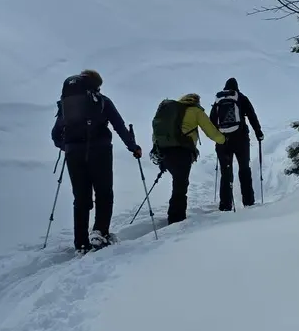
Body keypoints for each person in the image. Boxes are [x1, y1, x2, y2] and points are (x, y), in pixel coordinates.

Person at [51, 69, 143, 252]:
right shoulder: (102, 101)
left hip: (73, 154)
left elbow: (55, 134)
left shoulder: (66, 103)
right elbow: (119, 126)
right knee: (104, 193)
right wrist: (133, 147)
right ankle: (100, 233)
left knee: (81, 197)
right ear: (97, 85)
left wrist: (67, 146)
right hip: (100, 152)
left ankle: (81, 243)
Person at [149, 93, 225, 224]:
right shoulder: (195, 111)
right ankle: (176, 219)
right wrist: (224, 140)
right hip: (182, 153)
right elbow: (210, 131)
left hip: (164, 152)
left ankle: (175, 216)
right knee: (180, 186)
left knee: (178, 183)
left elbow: (156, 134)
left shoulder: (170, 112)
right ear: (196, 101)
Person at [208, 77, 264, 211]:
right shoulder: (241, 97)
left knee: (226, 172)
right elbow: (251, 115)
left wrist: (218, 137)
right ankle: (249, 202)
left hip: (223, 142)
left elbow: (212, 120)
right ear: (236, 87)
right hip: (241, 139)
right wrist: (258, 132)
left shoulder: (218, 100)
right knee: (244, 169)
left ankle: (225, 205)